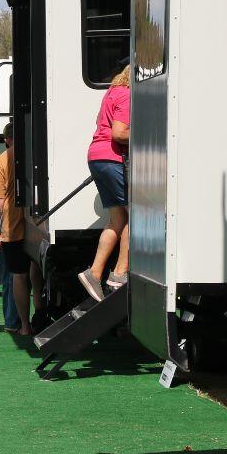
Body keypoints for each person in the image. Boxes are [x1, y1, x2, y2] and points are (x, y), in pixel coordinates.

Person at [78, 64, 131, 301]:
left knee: (117, 218)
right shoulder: (128, 95)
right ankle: (119, 274)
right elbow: (119, 133)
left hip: (96, 156)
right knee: (135, 216)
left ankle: (94, 273)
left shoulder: (111, 92)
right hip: (111, 157)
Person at [0, 122, 40, 335]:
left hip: (13, 224)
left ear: (7, 139)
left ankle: (22, 325)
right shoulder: (36, 153)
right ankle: (41, 315)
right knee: (36, 271)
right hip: (38, 221)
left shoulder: (3, 159)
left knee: (16, 275)